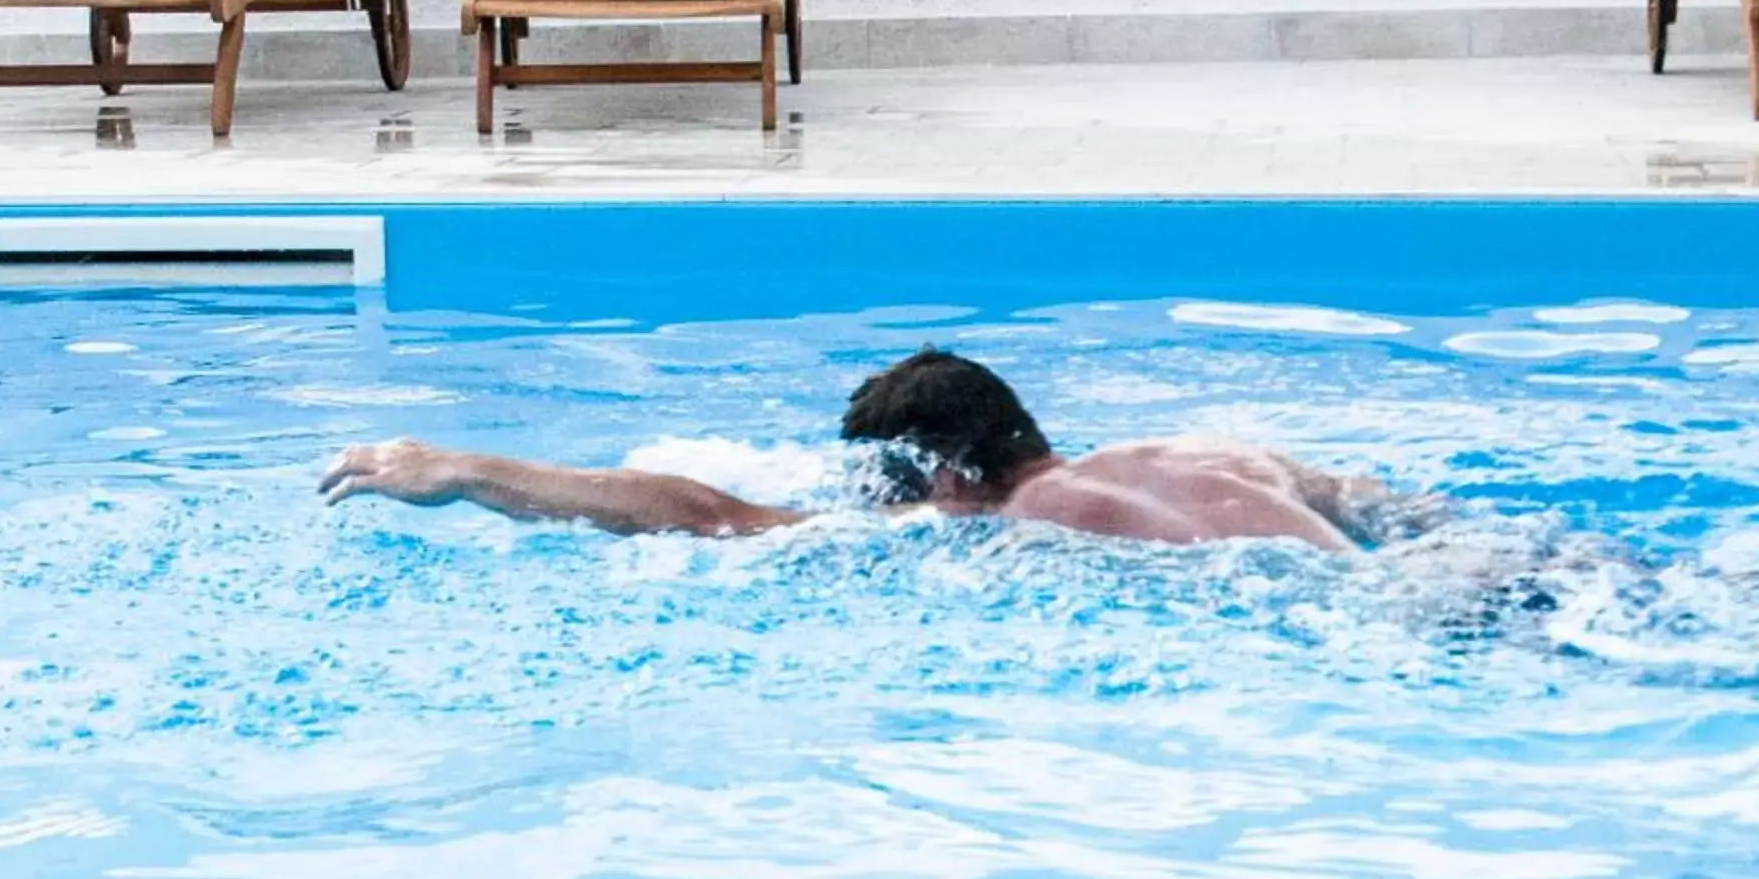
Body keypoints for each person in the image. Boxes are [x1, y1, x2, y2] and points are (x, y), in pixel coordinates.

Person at [320, 347, 1405, 552]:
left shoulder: (998, 518)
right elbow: (1374, 498)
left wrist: (468, 469)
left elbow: (713, 516)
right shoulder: (1207, 449)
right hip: (1441, 568)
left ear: (947, 468)